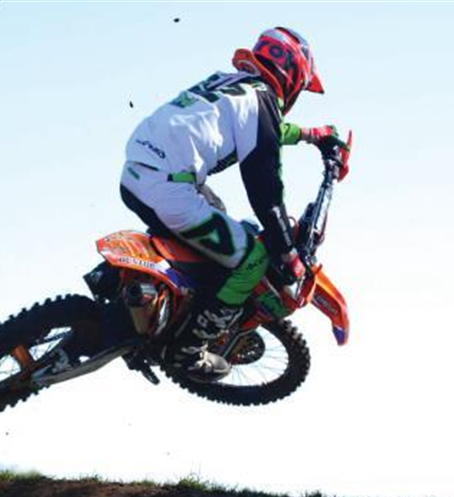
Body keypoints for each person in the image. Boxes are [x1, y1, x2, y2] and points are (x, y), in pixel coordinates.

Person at [119, 27, 346, 382]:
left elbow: (268, 130)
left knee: (218, 217)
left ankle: (161, 302)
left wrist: (311, 135)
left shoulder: (231, 84)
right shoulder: (260, 102)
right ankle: (187, 350)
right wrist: (288, 253)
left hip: (137, 173)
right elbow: (266, 193)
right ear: (292, 77)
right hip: (168, 190)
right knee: (252, 260)